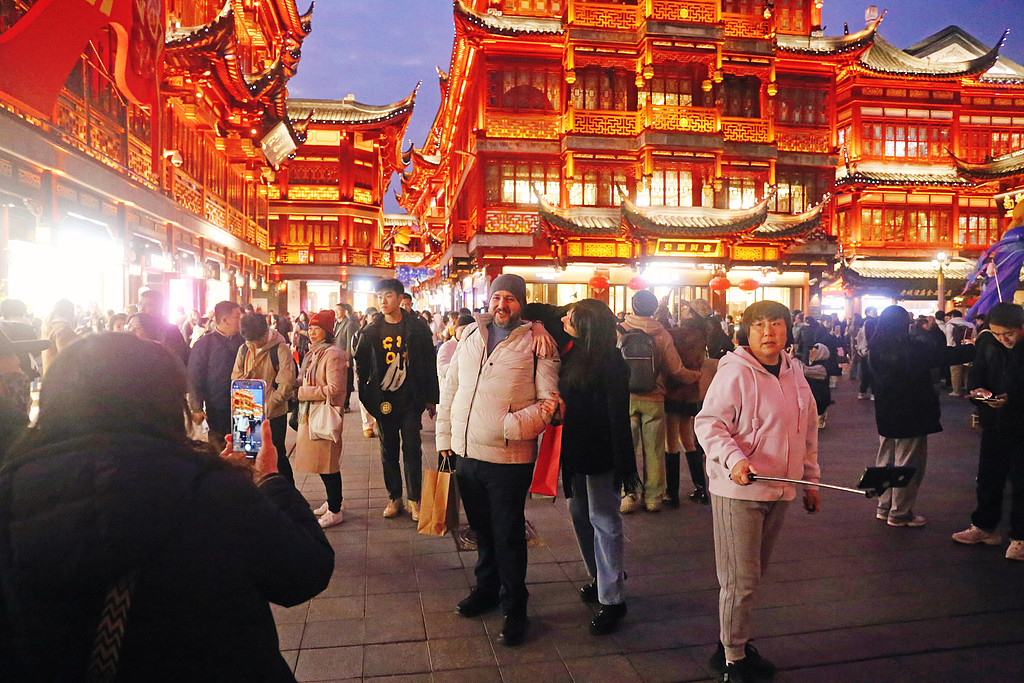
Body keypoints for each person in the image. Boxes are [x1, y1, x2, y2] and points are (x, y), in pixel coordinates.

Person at [0, 333, 333, 680]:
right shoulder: (211, 492)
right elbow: (305, 571)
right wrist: (268, 479)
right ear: (163, 401)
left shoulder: (10, 492)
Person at [694, 300, 821, 683]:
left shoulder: (794, 371)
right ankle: (734, 660)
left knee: (752, 576)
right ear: (746, 332)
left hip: (780, 490)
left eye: (777, 324)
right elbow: (710, 424)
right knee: (740, 579)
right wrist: (734, 461)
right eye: (760, 325)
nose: (769, 332)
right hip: (739, 490)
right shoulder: (733, 372)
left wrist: (810, 480)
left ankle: (731, 642)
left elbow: (807, 431)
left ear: (787, 330)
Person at [436, 273, 559, 646]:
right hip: (466, 453)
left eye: (510, 298)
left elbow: (550, 403)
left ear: (521, 303)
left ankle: (514, 604)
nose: (502, 305)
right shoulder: (471, 336)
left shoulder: (538, 344)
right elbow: (451, 388)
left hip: (508, 457)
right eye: (497, 298)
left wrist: (510, 426)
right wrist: (445, 438)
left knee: (507, 534)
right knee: (481, 530)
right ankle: (486, 588)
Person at [558, 299, 638, 635]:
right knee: (579, 514)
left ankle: (612, 599)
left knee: (604, 520)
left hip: (601, 452)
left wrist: (622, 463)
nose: (564, 319)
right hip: (575, 451)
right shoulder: (574, 353)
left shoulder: (610, 362)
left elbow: (616, 417)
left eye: (572, 317)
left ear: (587, 326)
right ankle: (600, 575)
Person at [868, 305, 974, 528]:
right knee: (908, 463)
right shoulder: (910, 348)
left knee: (885, 460)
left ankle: (883, 506)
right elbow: (942, 356)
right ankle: (900, 513)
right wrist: (973, 348)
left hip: (886, 411)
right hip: (911, 412)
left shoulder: (876, 345)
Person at [355, 279, 439, 520]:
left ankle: (415, 499)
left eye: (388, 295)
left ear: (400, 297)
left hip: (411, 400)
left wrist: (431, 397)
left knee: (412, 448)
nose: (382, 300)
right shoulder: (370, 332)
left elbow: (428, 362)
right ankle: (394, 497)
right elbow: (361, 366)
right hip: (384, 402)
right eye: (379, 296)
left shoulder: (416, 328)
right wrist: (366, 397)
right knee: (387, 451)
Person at [618, 290, 700, 513]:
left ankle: (628, 494)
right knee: (654, 450)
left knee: (627, 450)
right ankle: (653, 497)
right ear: (653, 309)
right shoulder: (661, 334)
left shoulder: (619, 331)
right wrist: (695, 376)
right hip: (654, 399)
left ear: (633, 307)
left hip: (625, 399)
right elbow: (676, 369)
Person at [954, 302, 1024, 560]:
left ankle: (1020, 538)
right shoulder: (988, 343)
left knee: (1021, 482)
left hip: (1020, 423)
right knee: (988, 477)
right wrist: (977, 392)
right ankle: (984, 527)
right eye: (996, 333)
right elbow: (978, 373)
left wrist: (1012, 399)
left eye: (1008, 334)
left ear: (1021, 327)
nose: (1003, 339)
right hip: (994, 421)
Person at [295, 310, 348, 528]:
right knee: (320, 464)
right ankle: (332, 500)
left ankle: (335, 509)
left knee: (328, 464)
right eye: (310, 328)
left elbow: (336, 389)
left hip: (324, 415)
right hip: (311, 414)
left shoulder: (332, 354)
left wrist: (304, 393)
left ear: (327, 331)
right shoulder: (314, 352)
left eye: (317, 328)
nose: (312, 332)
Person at [232, 312, 299, 484]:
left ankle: (288, 493)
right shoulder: (244, 349)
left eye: (257, 340)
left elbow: (286, 383)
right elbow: (236, 376)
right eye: (251, 341)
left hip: (273, 414)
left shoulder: (280, 349)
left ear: (266, 330)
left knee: (277, 456)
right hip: (248, 412)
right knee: (250, 455)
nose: (255, 344)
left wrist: (271, 403)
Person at [665, 318, 716, 505]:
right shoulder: (700, 339)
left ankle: (672, 493)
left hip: (674, 391)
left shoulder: (676, 335)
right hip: (691, 392)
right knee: (687, 439)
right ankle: (701, 489)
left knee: (670, 443)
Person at [188, 301, 244, 449]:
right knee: (220, 449)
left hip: (246, 405)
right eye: (237, 316)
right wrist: (197, 407)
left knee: (245, 450)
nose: (241, 320)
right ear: (225, 320)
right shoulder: (204, 344)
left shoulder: (245, 342)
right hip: (217, 407)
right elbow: (194, 377)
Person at [138, 289, 189, 366]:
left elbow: (172, 361)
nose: (141, 309)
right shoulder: (136, 328)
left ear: (159, 308)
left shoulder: (170, 331)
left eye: (148, 305)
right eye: (140, 305)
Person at [333, 303, 359, 412]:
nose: (336, 312)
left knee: (347, 381)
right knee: (338, 380)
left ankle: (346, 404)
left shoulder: (349, 324)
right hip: (335, 356)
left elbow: (350, 342)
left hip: (344, 356)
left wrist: (349, 358)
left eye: (338, 310)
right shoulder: (336, 324)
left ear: (344, 311)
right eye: (335, 310)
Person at [943, 309, 976, 397]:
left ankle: (957, 391)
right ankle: (968, 388)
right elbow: (974, 337)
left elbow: (949, 339)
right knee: (967, 372)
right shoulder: (970, 324)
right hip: (968, 349)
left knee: (955, 372)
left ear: (952, 316)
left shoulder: (950, 325)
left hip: (955, 350)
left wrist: (949, 349)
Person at [41, 298, 77, 375]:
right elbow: (69, 355)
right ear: (69, 311)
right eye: (73, 311)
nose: (74, 315)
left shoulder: (50, 326)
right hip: (62, 378)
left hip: (50, 375)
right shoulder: (63, 329)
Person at [437, 313, 475, 382]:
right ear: (455, 329)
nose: (466, 334)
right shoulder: (447, 346)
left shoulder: (475, 347)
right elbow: (442, 370)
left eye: (470, 331)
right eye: (463, 330)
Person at [856, 307, 878, 399]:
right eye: (874, 311)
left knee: (865, 371)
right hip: (869, 349)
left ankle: (862, 391)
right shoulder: (871, 322)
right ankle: (873, 393)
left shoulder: (863, 322)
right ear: (869, 312)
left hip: (863, 349)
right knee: (872, 371)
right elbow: (871, 337)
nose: (876, 312)